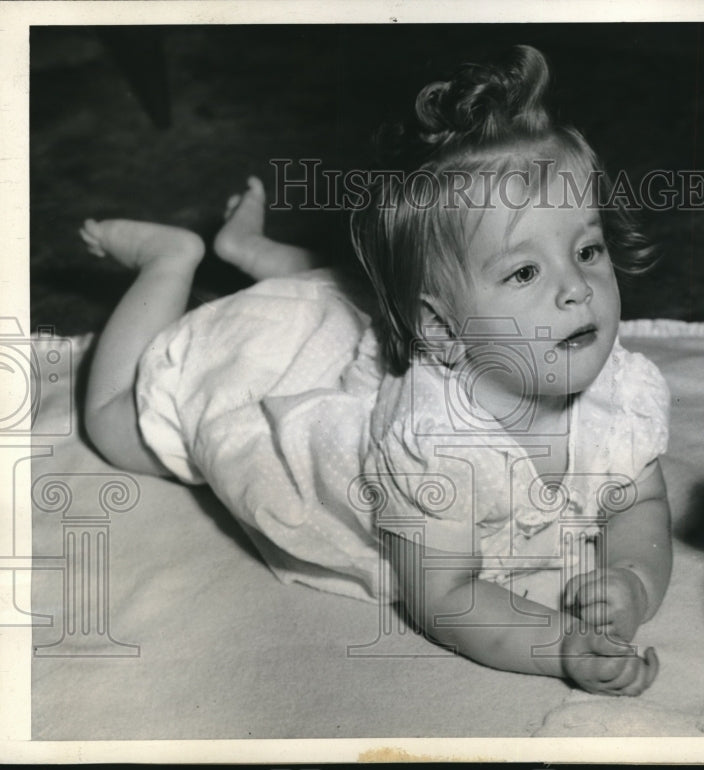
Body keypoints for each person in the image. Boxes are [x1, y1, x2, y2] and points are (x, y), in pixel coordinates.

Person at [81, 45, 672, 696]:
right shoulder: (433, 444)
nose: (576, 289)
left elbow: (638, 500)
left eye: (587, 249)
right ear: (443, 330)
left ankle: (251, 249)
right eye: (525, 271)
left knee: (351, 288)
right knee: (114, 423)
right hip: (283, 374)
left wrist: (633, 581)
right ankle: (170, 260)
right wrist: (557, 645)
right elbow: (446, 597)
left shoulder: (619, 391)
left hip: (389, 312)